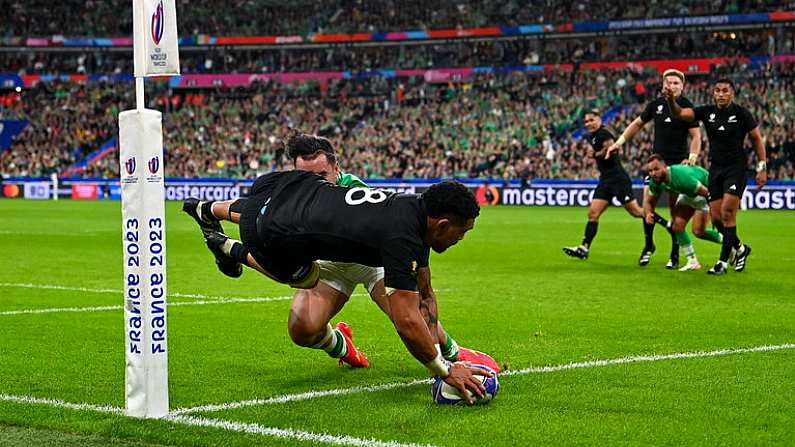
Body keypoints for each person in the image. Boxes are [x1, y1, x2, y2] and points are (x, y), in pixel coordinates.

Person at [183, 134, 490, 403]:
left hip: (368, 257)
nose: (314, 181)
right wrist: (444, 372)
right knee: (303, 303)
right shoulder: (402, 228)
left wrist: (448, 359)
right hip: (311, 250)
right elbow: (408, 321)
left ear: (335, 167)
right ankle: (228, 247)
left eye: (321, 174)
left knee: (409, 307)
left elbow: (423, 294)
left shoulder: (405, 215)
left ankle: (206, 213)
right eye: (462, 232)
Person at [664, 78, 767, 275]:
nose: (721, 94)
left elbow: (756, 139)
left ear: (732, 93)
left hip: (736, 170)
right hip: (716, 171)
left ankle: (722, 262)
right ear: (713, 93)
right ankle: (741, 249)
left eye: (725, 91)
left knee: (728, 213)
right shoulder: (706, 112)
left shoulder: (742, 114)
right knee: (718, 220)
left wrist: (762, 167)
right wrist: (670, 100)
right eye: (717, 90)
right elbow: (680, 113)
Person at [606, 69, 702, 269]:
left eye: (676, 83)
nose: (672, 86)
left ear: (682, 87)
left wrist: (692, 157)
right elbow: (637, 124)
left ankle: (675, 254)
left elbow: (696, 136)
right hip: (655, 165)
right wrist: (619, 142)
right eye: (669, 83)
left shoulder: (687, 106)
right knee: (647, 205)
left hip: (676, 168)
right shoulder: (655, 105)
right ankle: (649, 245)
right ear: (663, 85)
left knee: (676, 213)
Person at [563, 110, 672, 260]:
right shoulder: (593, 137)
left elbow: (611, 149)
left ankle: (668, 225)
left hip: (618, 179)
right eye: (586, 122)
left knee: (636, 212)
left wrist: (595, 154)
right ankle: (584, 248)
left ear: (599, 119)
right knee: (593, 213)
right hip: (606, 180)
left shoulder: (604, 133)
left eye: (592, 120)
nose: (589, 124)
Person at [644, 155, 724, 271]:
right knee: (677, 226)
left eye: (656, 169)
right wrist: (647, 213)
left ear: (664, 167)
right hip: (688, 194)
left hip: (707, 189)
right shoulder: (655, 182)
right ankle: (692, 261)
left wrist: (715, 214)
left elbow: (707, 194)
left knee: (699, 231)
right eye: (650, 170)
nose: (653, 173)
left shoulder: (681, 176)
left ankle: (731, 243)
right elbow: (649, 202)